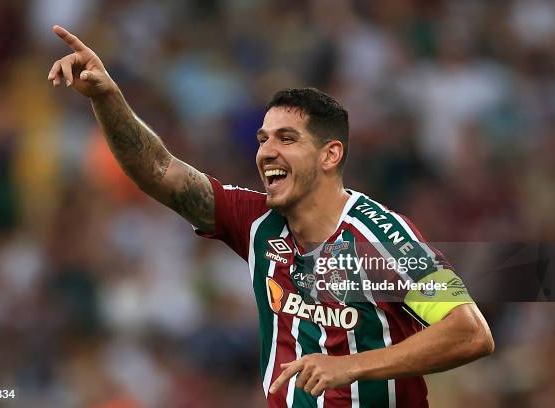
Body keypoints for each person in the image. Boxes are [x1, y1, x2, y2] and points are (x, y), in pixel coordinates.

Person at [48, 25, 494, 407]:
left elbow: (469, 331)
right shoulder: (258, 224)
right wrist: (107, 98)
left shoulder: (378, 239)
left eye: (286, 138)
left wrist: (350, 367)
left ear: (329, 154)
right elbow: (160, 170)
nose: (267, 152)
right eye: (263, 139)